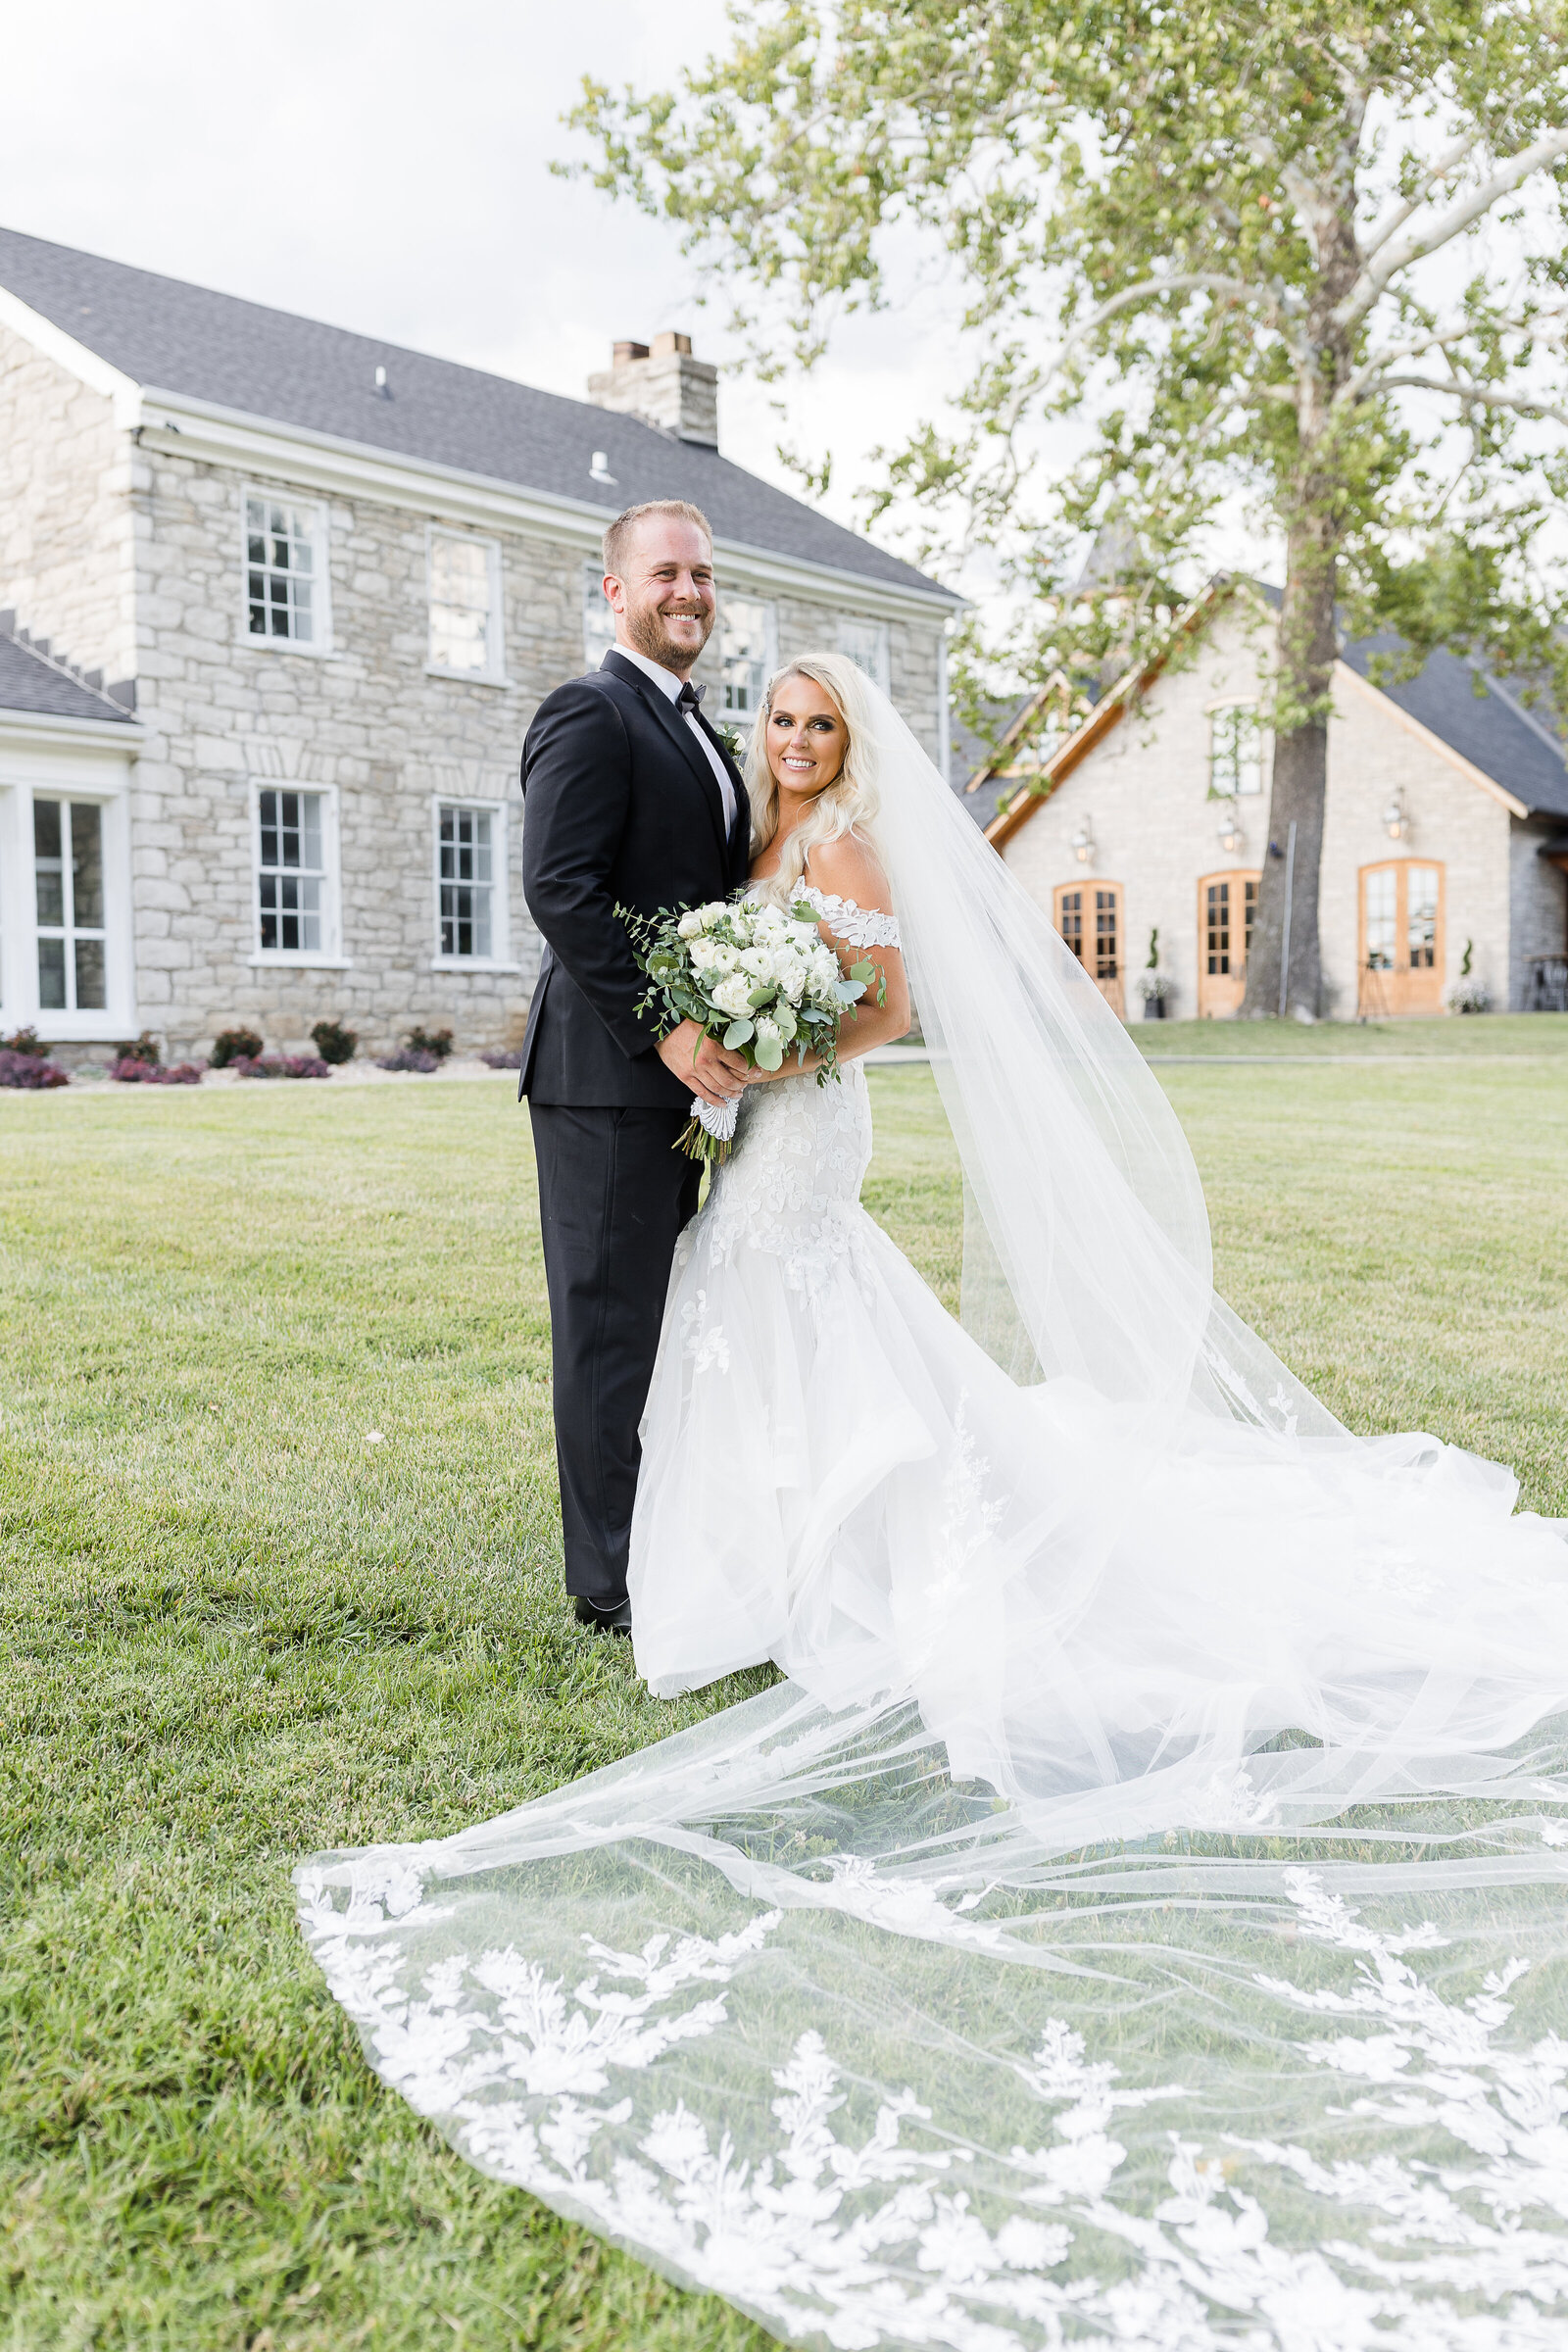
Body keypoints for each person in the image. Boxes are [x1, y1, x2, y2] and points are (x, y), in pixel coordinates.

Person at [303, 654, 1568, 2350]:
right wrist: (735, 1040)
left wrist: (777, 1045)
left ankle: (857, 1552)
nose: (799, 742)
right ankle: (753, 1550)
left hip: (804, 1126)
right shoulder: (761, 840)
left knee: (816, 1321)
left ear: (851, 742)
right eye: (785, 722)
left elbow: (889, 1011)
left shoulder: (851, 856)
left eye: (822, 725)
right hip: (749, 1130)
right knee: (746, 1331)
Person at [517, 501, 753, 1634]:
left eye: (702, 576)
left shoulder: (697, 727)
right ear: (614, 590)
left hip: (687, 1079)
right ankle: (606, 1582)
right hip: (606, 1074)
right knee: (610, 1324)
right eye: (665, 574)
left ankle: (660, 1535)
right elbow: (560, 888)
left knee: (669, 1318)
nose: (688, 593)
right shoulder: (591, 710)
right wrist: (664, 1028)